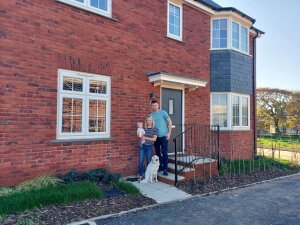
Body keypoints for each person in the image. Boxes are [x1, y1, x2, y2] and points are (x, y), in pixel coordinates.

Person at [150, 100, 172, 176]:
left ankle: (165, 169)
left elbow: (169, 122)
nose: (154, 107)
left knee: (164, 153)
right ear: (151, 106)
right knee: (158, 153)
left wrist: (169, 133)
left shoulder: (163, 113)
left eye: (155, 105)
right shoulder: (151, 115)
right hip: (156, 137)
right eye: (153, 106)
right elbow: (150, 126)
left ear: (158, 105)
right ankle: (160, 167)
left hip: (164, 136)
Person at [138, 116, 158, 182]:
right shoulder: (143, 128)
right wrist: (140, 137)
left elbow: (154, 139)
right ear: (146, 121)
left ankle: (149, 176)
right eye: (148, 120)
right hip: (142, 146)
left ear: (152, 121)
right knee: (141, 161)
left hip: (149, 146)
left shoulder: (155, 129)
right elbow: (140, 136)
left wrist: (145, 138)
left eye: (150, 120)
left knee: (149, 161)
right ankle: (140, 176)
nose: (149, 121)